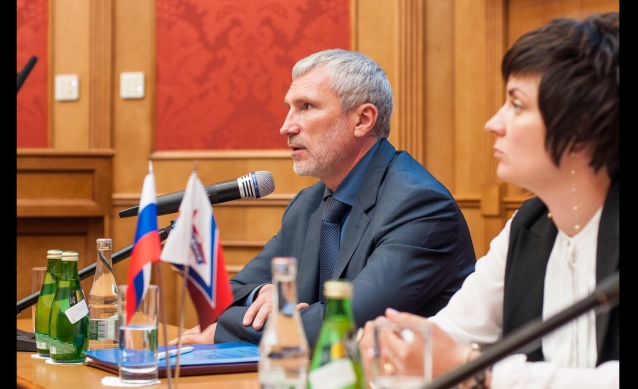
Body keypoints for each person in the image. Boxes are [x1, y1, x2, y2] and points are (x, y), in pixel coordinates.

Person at [359, 12, 619, 389]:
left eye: (517, 104)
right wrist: (399, 348)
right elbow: (451, 336)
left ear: (582, 128)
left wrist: (479, 374)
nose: (493, 123)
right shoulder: (527, 225)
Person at [170, 49, 477, 349]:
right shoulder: (308, 204)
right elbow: (231, 293)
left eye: (306, 107)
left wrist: (224, 330)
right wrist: (263, 293)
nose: (286, 126)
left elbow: (342, 325)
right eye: (289, 108)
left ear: (363, 120)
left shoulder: (419, 206)